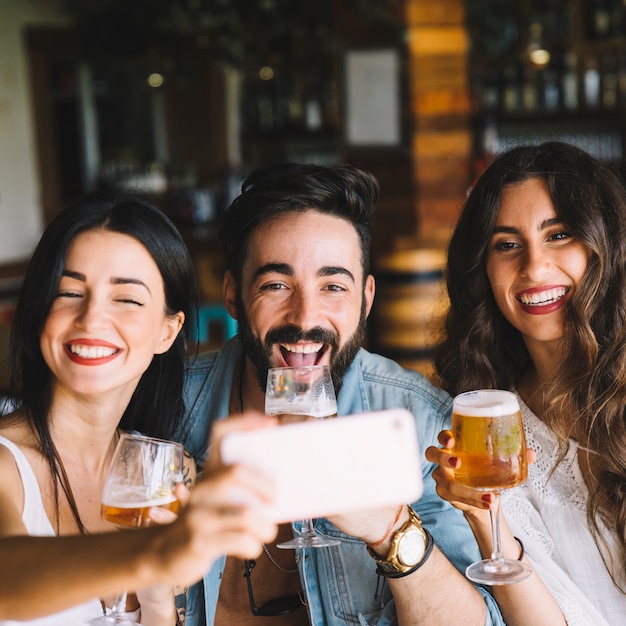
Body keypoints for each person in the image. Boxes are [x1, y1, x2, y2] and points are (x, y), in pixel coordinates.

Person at [180, 163, 504, 626]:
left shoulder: (422, 424)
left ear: (366, 299)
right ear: (233, 295)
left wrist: (390, 530)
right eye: (276, 285)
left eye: (333, 286)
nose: (305, 314)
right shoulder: (166, 409)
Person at [0, 195, 280, 625]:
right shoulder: (6, 463)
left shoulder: (168, 472)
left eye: (126, 299)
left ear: (168, 331)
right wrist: (155, 553)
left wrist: (156, 596)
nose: (91, 318)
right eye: (69, 292)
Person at [426, 141, 626, 625]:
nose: (534, 268)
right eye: (507, 245)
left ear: (607, 247)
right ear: (483, 270)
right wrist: (482, 518)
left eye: (559, 235)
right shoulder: (491, 423)